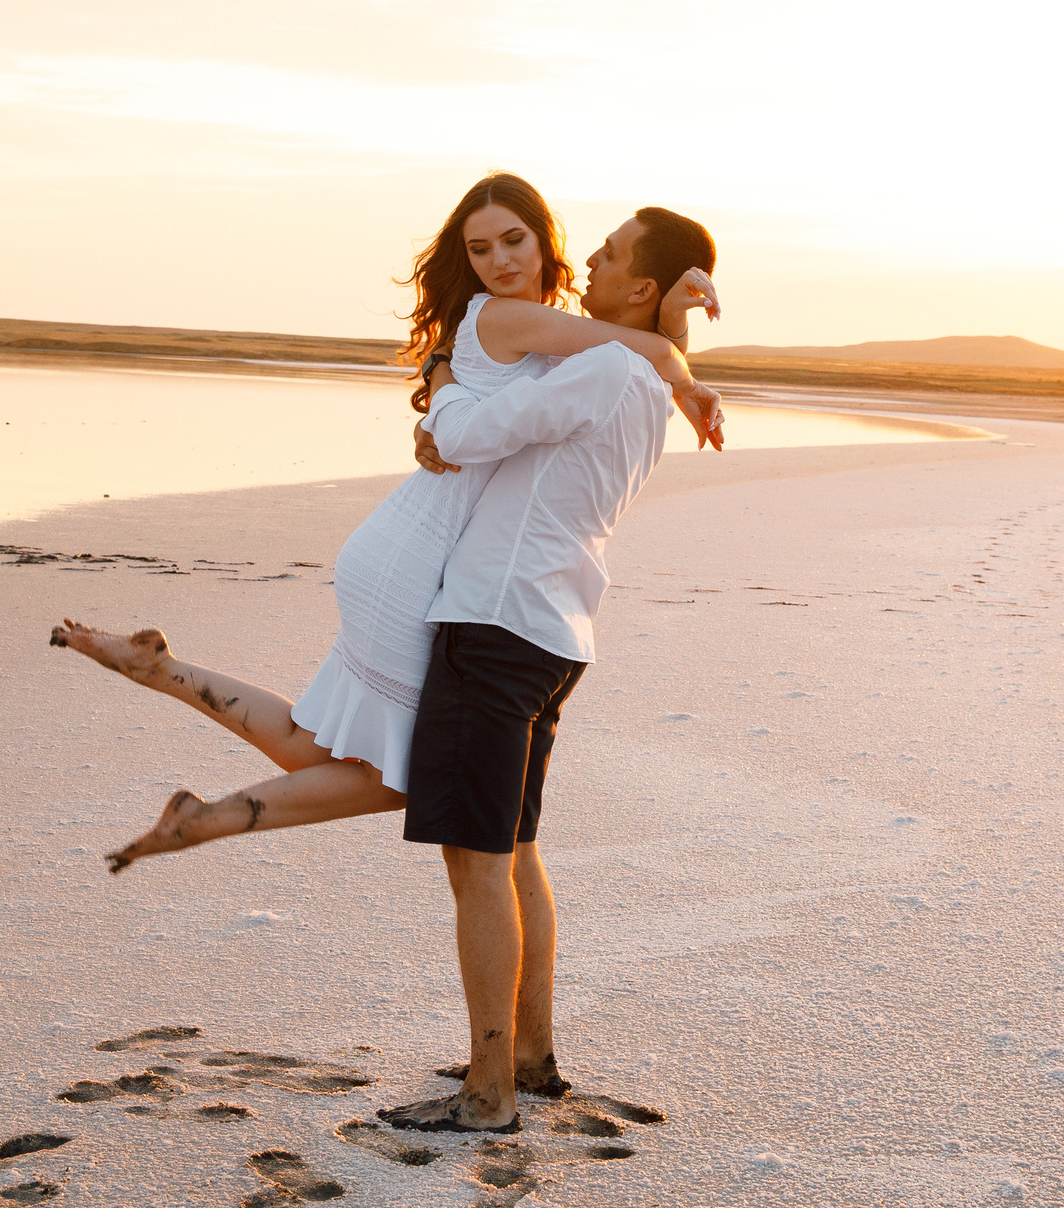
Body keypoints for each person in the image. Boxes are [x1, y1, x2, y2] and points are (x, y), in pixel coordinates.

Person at [51, 173, 720, 868]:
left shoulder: (551, 330)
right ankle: (207, 815)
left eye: (515, 240)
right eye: (483, 248)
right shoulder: (515, 317)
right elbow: (641, 352)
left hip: (408, 543)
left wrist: (667, 321)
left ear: (544, 238)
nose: (502, 260)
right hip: (415, 559)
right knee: (403, 774)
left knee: (314, 743)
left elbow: (618, 353)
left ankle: (159, 673)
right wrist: (679, 351)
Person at [373, 205, 717, 1134]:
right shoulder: (641, 377)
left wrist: (441, 381)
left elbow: (469, 437)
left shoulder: (608, 365)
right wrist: (678, 326)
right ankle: (528, 1055)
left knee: (476, 861)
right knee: (516, 846)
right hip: (558, 628)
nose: (589, 263)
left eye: (607, 255)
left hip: (495, 622)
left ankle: (487, 1096)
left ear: (638, 287)